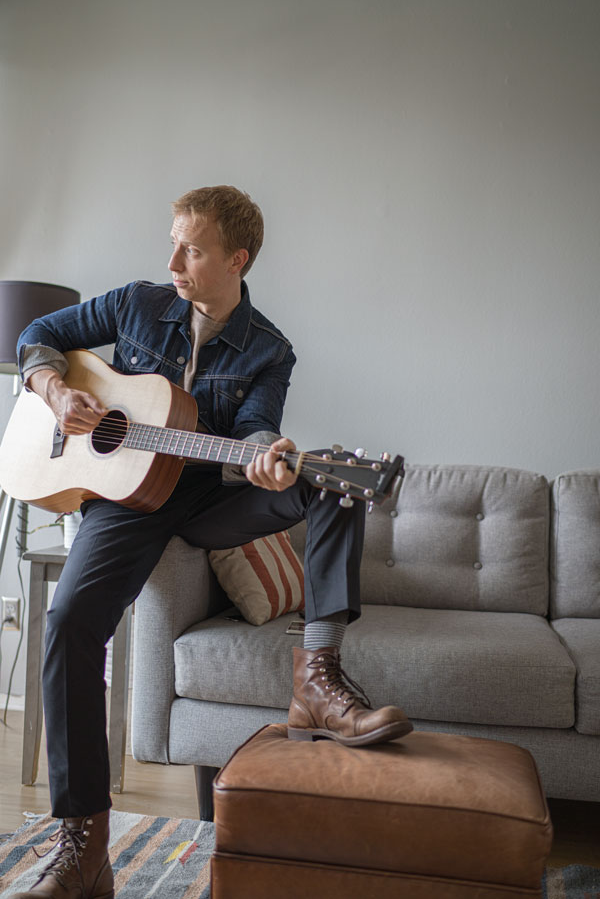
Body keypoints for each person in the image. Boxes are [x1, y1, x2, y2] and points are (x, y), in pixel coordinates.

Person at [9, 186, 412, 899]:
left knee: (329, 480)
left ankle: (318, 678)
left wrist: (265, 453)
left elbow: (255, 428)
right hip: (126, 498)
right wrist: (52, 388)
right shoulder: (135, 304)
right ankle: (85, 849)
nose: (173, 263)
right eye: (173, 243)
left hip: (208, 496)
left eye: (191, 251)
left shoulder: (270, 349)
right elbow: (36, 331)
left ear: (237, 260)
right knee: (69, 622)